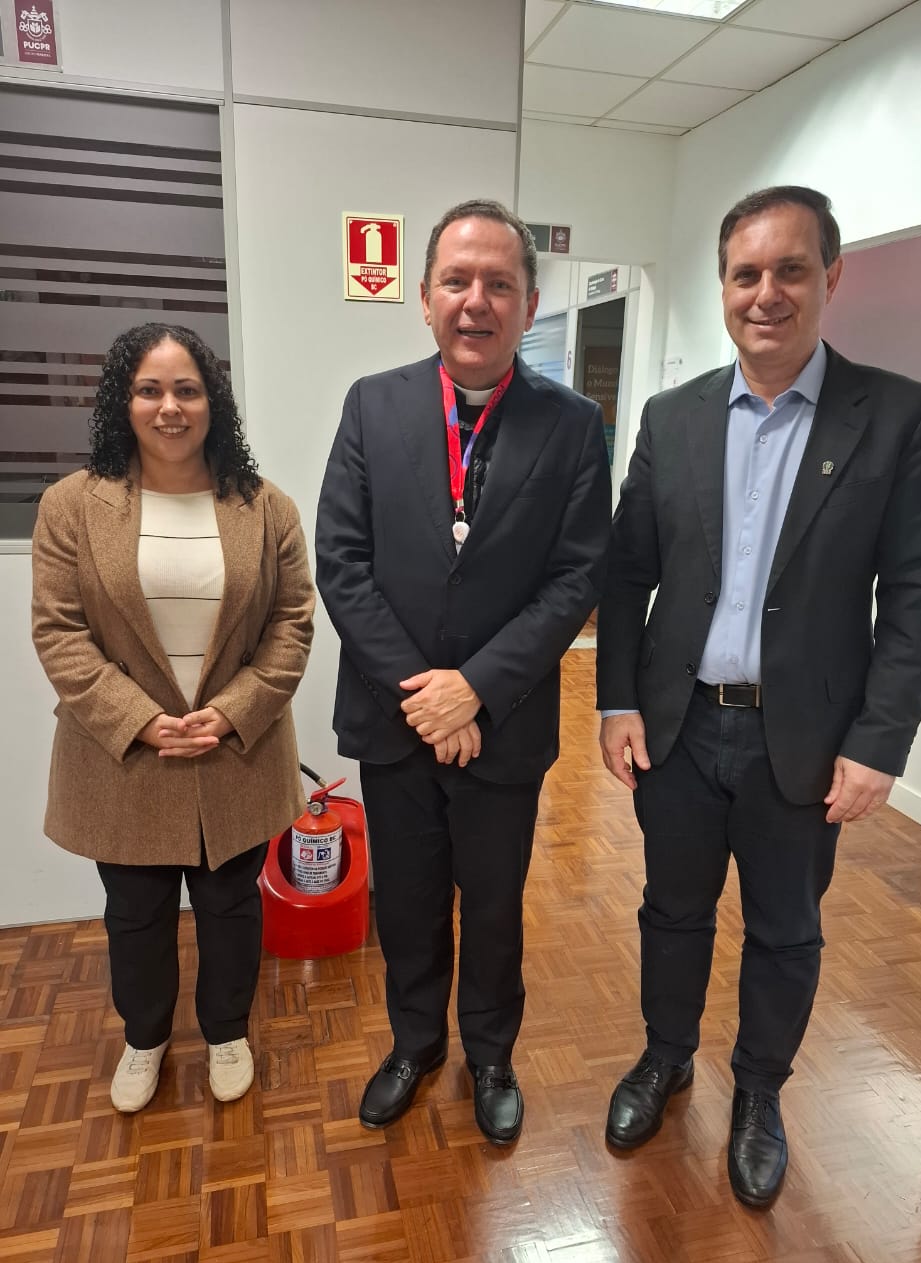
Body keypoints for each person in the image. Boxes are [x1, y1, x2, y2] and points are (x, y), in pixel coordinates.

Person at [597, 186, 921, 1206]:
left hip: (803, 739)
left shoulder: (898, 417)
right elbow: (627, 573)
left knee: (787, 930)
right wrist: (617, 701)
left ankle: (759, 1090)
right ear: (723, 286)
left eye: (790, 270)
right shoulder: (672, 418)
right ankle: (666, 1056)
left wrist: (880, 742)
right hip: (677, 730)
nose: (767, 293)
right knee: (672, 910)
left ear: (830, 278)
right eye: (746, 273)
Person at [315, 198, 610, 1144]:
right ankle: (414, 1044)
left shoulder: (574, 425)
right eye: (455, 280)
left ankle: (490, 1054)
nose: (475, 301)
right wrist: (429, 698)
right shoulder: (373, 404)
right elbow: (342, 563)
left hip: (503, 722)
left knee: (491, 907)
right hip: (395, 720)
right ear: (424, 297)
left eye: (498, 284)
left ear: (529, 304)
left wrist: (475, 686)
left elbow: (577, 577)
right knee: (405, 903)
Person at [32, 322, 315, 1113]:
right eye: (149, 390)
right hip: (123, 755)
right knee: (136, 913)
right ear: (122, 403)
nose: (169, 407)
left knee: (231, 907)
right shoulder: (71, 507)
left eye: (187, 390)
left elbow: (293, 623)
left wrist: (231, 711)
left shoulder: (266, 508)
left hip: (234, 749)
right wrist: (138, 719)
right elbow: (59, 631)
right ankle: (144, 1038)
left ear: (211, 402)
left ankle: (227, 1032)